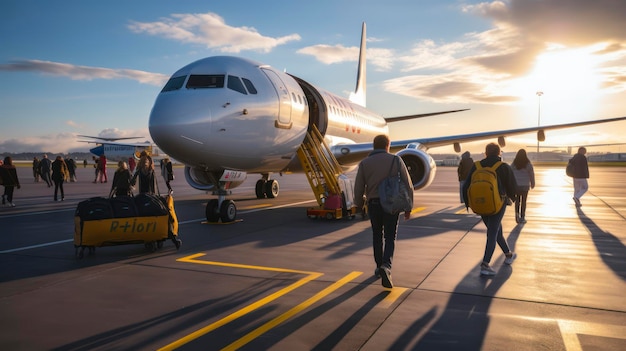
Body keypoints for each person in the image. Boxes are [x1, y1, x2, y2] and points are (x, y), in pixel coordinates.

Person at [354, 134, 413, 288]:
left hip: (373, 204)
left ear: (374, 146)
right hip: (392, 205)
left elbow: (358, 188)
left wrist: (359, 206)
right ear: (388, 145)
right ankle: (386, 266)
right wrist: (408, 207)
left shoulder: (364, 163)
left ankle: (378, 266)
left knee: (376, 236)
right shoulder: (395, 160)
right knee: (390, 236)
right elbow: (408, 184)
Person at [462, 143, 518, 276]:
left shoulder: (477, 166)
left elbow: (466, 186)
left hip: (480, 204)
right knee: (493, 232)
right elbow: (512, 186)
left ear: (485, 153)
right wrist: (512, 199)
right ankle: (485, 264)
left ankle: (508, 254)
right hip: (498, 204)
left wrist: (468, 204)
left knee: (495, 230)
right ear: (499, 153)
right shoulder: (503, 166)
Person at [511, 149, 535, 223]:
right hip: (525, 185)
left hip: (516, 185)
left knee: (517, 201)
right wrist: (533, 183)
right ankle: (522, 217)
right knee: (524, 202)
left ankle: (517, 215)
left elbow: (510, 173)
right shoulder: (528, 164)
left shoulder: (514, 164)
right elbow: (531, 175)